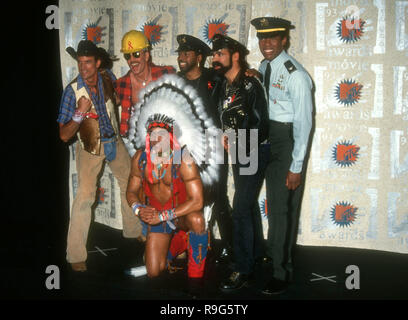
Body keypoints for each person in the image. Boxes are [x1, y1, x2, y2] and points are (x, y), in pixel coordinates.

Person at [125, 74, 221, 284]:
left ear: (172, 139)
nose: (157, 141)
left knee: (197, 220)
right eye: (153, 136)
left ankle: (195, 278)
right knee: (154, 271)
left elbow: (197, 201)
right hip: (159, 214)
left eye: (163, 136)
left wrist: (165, 215)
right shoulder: (140, 158)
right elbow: (131, 191)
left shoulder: (183, 159)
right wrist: (138, 209)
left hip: (181, 212)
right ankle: (178, 241)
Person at [57, 40, 142, 272]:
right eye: (80, 62)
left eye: (87, 62)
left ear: (98, 63)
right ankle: (75, 255)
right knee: (85, 197)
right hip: (89, 149)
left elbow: (116, 99)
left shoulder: (106, 77)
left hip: (113, 140)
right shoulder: (71, 91)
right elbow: (64, 135)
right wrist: (79, 113)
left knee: (131, 182)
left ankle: (134, 231)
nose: (83, 68)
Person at [251, 17, 314, 294]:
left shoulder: (296, 75)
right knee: (251, 199)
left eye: (272, 38)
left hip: (285, 141)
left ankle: (282, 271)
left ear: (284, 40)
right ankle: (271, 252)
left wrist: (296, 165)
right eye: (262, 38)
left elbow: (304, 123)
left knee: (281, 209)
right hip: (263, 137)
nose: (266, 43)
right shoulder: (264, 67)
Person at [209, 34, 270, 291]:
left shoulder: (250, 84)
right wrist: (224, 134)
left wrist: (236, 140)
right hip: (237, 148)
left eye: (220, 54)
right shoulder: (222, 84)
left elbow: (259, 124)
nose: (215, 58)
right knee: (247, 203)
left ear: (235, 56)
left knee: (241, 206)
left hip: (254, 148)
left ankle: (242, 268)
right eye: (214, 54)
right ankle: (256, 254)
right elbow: (220, 115)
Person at [175, 34, 233, 262]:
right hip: (185, 149)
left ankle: (229, 247)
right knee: (185, 195)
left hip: (212, 147)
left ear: (198, 57)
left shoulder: (215, 78)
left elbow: (236, 81)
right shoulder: (176, 81)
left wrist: (251, 73)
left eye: (186, 54)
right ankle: (189, 243)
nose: (181, 58)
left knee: (218, 197)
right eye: (180, 54)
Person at [114, 30, 176, 139]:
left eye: (136, 54)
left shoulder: (166, 74)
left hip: (166, 139)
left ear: (146, 55)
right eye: (128, 56)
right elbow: (106, 105)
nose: (132, 60)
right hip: (135, 142)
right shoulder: (121, 84)